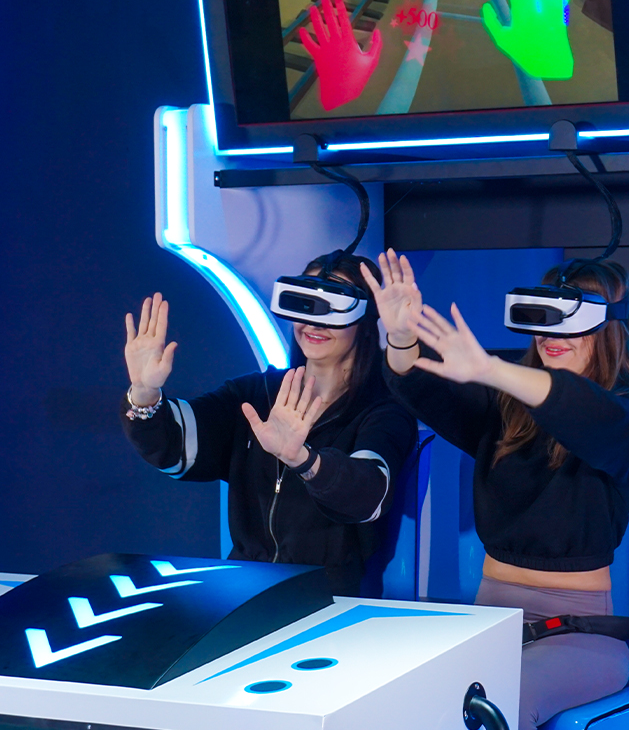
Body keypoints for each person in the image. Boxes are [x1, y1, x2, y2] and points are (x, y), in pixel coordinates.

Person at [361, 249, 629, 730]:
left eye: (570, 320)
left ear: (607, 327)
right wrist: (400, 336)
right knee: (394, 690)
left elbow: (589, 416)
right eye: (543, 318)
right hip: (492, 619)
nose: (551, 335)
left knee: (500, 699)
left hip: (580, 631)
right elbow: (422, 387)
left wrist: (492, 369)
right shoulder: (505, 411)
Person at [121, 253, 417, 597]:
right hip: (244, 588)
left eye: (333, 308)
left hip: (331, 597)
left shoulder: (382, 410)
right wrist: (144, 393)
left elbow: (367, 496)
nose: (314, 324)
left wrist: (304, 460)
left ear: (364, 319)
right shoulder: (255, 393)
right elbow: (175, 448)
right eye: (305, 304)